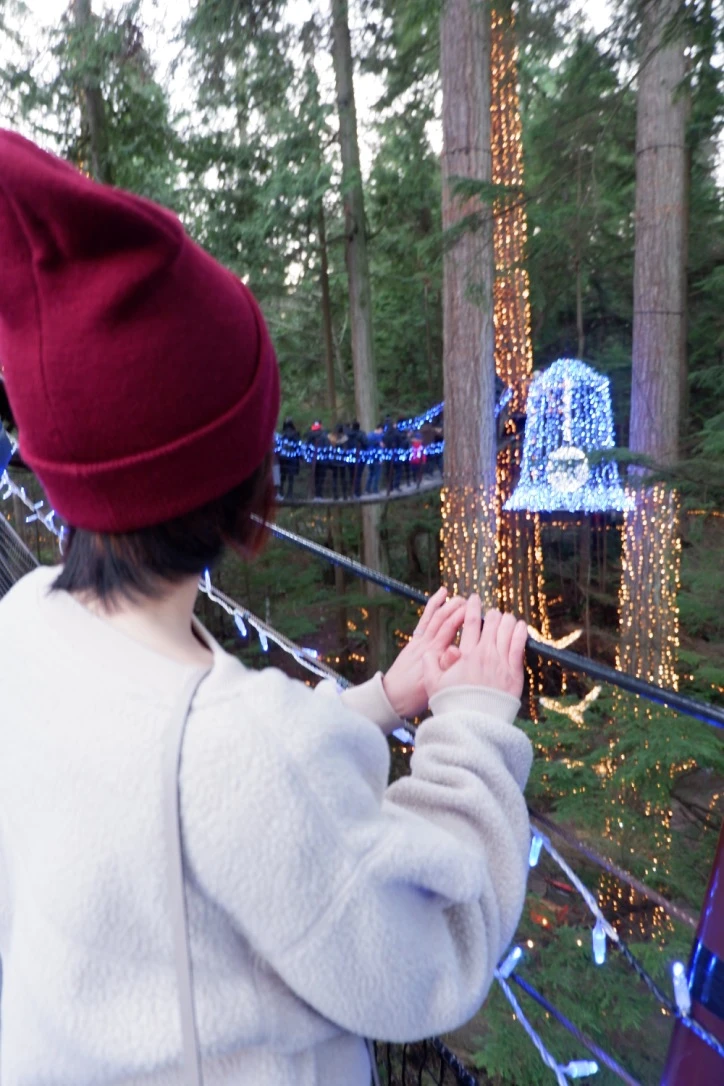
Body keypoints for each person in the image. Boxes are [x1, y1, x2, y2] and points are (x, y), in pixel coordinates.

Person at [0, 130, 533, 1086]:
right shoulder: (237, 753)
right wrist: (475, 730)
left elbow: (215, 786)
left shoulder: (31, 625)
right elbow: (437, 956)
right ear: (255, 498)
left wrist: (386, 694)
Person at [278, 417, 300, 499]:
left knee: (282, 476)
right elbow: (298, 446)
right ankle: (289, 493)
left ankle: (280, 492)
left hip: (283, 458)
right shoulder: (295, 434)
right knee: (291, 477)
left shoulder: (282, 435)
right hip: (292, 458)